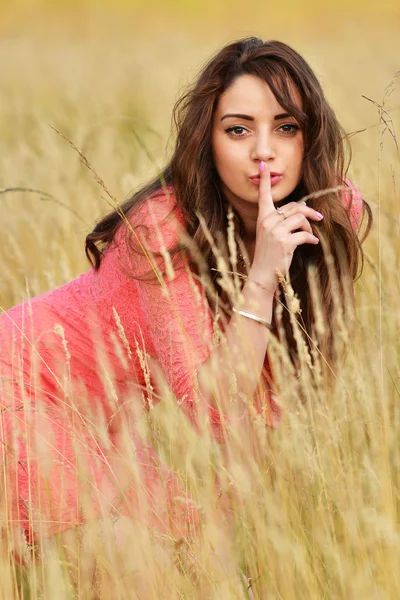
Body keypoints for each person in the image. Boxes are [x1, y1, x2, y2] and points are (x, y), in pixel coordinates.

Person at [0, 37, 372, 556]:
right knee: (138, 568)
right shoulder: (162, 229)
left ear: (311, 137)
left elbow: (261, 395)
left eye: (287, 127)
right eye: (238, 129)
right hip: (22, 385)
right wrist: (262, 274)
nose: (264, 151)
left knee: (193, 558)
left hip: (108, 420)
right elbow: (212, 411)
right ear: (207, 140)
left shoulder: (330, 210)